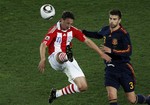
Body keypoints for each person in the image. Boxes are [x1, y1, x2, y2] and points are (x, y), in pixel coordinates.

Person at [38, 11, 111, 104]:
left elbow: (87, 41)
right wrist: (43, 58)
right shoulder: (54, 30)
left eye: (71, 24)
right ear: (61, 20)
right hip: (54, 59)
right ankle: (66, 55)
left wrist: (101, 53)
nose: (69, 26)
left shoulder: (72, 30)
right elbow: (43, 45)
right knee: (61, 54)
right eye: (67, 23)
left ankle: (56, 94)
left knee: (83, 86)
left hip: (69, 61)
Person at [82, 9, 150, 105]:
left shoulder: (123, 34)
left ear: (119, 20)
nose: (112, 21)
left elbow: (128, 51)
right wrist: (83, 32)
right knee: (111, 96)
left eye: (114, 19)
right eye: (110, 18)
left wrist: (112, 51)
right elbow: (98, 34)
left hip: (124, 68)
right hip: (110, 68)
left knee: (132, 100)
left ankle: (148, 100)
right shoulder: (106, 29)